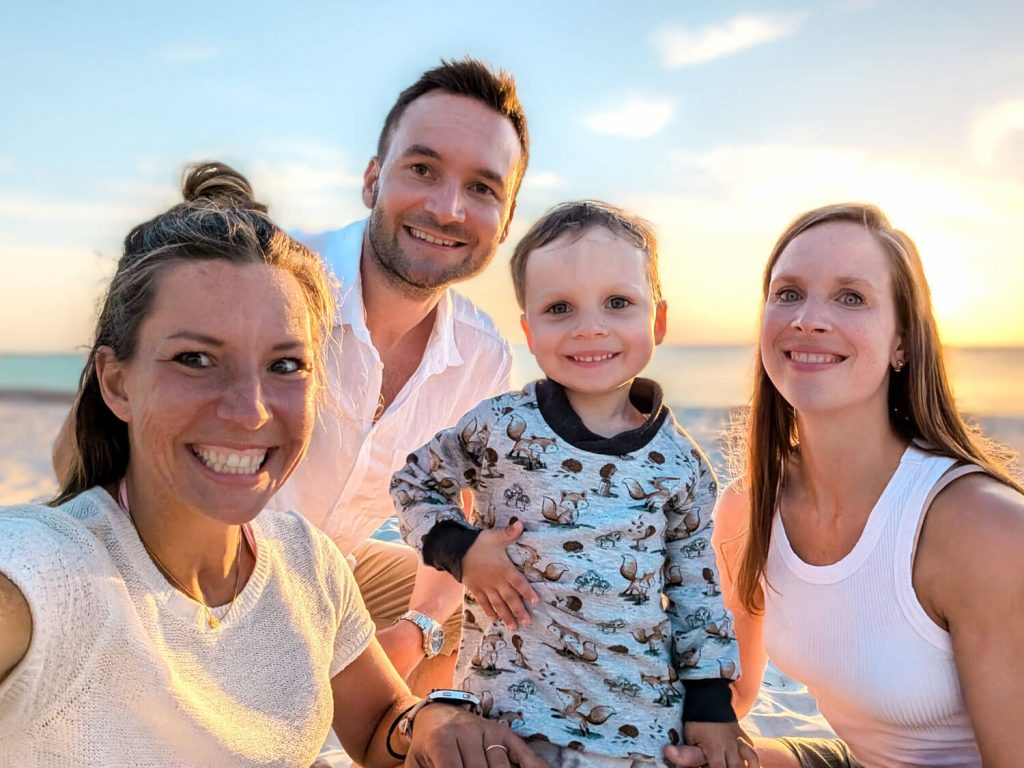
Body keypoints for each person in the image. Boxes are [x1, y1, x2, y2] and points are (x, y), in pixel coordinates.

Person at [4, 162, 546, 768]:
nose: (249, 410)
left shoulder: (303, 560)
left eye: (285, 365)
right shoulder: (51, 573)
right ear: (116, 382)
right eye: (195, 359)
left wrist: (430, 725)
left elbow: (377, 727)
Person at [391, 201, 759, 768]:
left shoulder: (681, 465)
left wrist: (711, 706)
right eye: (560, 308)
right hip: (505, 717)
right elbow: (415, 482)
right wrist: (462, 552)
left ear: (656, 321)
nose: (591, 327)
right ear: (530, 332)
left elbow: (696, 591)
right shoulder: (499, 426)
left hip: (639, 730)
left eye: (618, 303)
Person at [710, 203, 1024, 768]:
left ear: (902, 342)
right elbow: (730, 695)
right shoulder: (749, 508)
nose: (807, 318)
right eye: (788, 293)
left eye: (850, 297)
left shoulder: (981, 528)